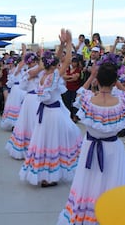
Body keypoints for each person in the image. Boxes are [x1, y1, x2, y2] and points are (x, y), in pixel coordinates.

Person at [56, 54, 125, 225]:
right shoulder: (122, 101)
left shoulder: (87, 100)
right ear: (115, 80)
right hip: (113, 149)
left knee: (87, 181)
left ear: (97, 80)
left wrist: (92, 76)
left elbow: (80, 93)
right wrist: (116, 81)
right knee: (111, 182)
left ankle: (85, 215)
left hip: (90, 146)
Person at [19, 29, 82, 187]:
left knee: (45, 142)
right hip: (53, 113)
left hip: (45, 113)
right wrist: (69, 42)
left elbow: (57, 59)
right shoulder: (53, 76)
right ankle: (51, 174)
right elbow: (66, 61)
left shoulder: (42, 76)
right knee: (63, 138)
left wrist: (61, 44)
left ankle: (46, 174)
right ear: (54, 65)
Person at [5, 51, 43, 159]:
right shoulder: (30, 72)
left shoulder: (38, 71)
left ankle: (36, 147)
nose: (31, 64)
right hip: (31, 99)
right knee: (29, 122)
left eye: (33, 62)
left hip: (37, 98)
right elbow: (23, 85)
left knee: (35, 122)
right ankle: (30, 147)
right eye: (30, 62)